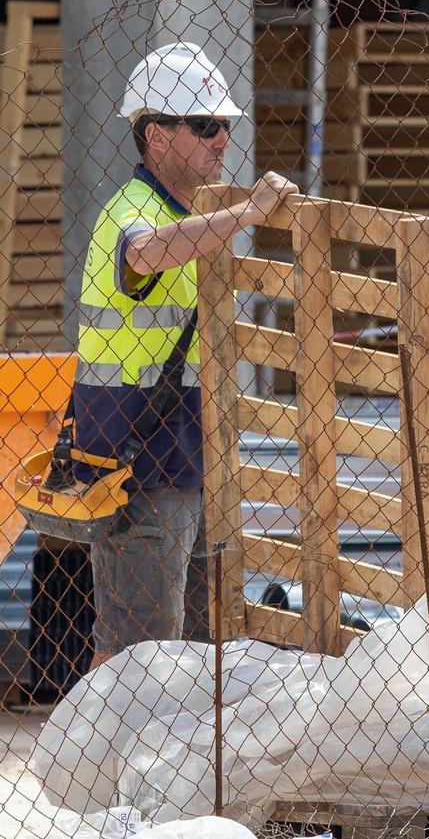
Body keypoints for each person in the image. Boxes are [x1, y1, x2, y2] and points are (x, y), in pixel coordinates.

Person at [72, 42, 298, 669]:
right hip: (139, 465)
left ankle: (171, 767)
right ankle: (104, 762)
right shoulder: (133, 213)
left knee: (197, 651)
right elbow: (144, 254)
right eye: (204, 126)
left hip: (191, 459)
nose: (222, 139)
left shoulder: (191, 214)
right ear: (156, 135)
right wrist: (247, 212)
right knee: (138, 653)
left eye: (225, 126)